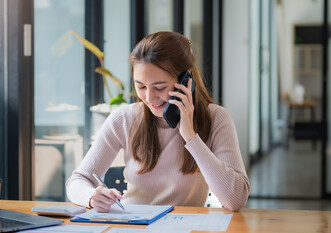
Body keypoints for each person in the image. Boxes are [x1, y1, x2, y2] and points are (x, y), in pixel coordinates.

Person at [66, 31, 250, 212]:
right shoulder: (124, 119)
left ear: (186, 80)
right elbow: (77, 181)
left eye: (159, 87)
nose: (149, 97)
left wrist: (190, 137)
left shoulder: (216, 118)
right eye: (141, 86)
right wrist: (91, 197)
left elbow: (235, 199)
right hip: (132, 227)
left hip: (184, 229)